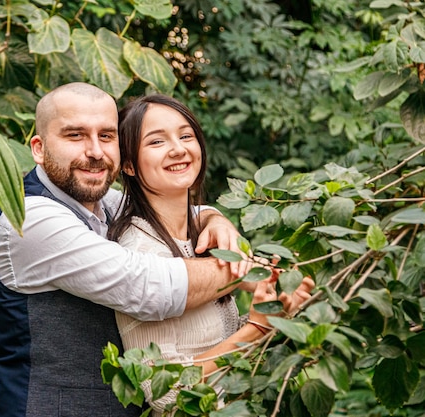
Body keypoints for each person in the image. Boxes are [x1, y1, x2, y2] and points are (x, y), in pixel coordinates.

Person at [0, 83, 251, 417]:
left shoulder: (102, 201)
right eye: (75, 135)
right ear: (38, 148)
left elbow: (172, 205)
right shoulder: (31, 218)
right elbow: (149, 288)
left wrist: (215, 219)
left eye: (107, 136)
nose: (95, 151)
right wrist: (245, 270)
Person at [109, 94, 314, 415]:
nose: (178, 148)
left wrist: (276, 314)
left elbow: (211, 343)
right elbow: (163, 391)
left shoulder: (201, 236)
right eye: (157, 141)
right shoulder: (141, 253)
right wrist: (256, 329)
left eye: (186, 135)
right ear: (129, 165)